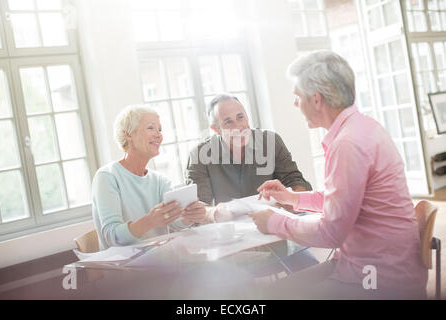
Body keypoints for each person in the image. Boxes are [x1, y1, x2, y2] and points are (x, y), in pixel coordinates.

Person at [249, 50, 428, 299]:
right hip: (378, 267)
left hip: (378, 280)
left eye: (297, 96)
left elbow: (331, 232)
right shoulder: (362, 128)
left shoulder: (348, 144)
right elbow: (344, 201)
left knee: (272, 296)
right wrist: (292, 198)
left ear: (316, 100)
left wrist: (273, 222)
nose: (294, 104)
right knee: (278, 291)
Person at [92, 105, 208, 250]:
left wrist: (189, 217)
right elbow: (112, 237)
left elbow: (175, 223)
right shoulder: (107, 177)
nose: (158, 135)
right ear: (128, 134)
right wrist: (150, 221)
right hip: (124, 267)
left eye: (159, 130)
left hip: (160, 260)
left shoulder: (160, 180)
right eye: (150, 128)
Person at [185, 93, 312, 209]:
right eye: (228, 122)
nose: (238, 127)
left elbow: (296, 182)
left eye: (240, 117)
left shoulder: (271, 141)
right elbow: (199, 208)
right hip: (228, 228)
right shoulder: (199, 155)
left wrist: (291, 199)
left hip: (273, 221)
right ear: (216, 130)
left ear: (247, 117)